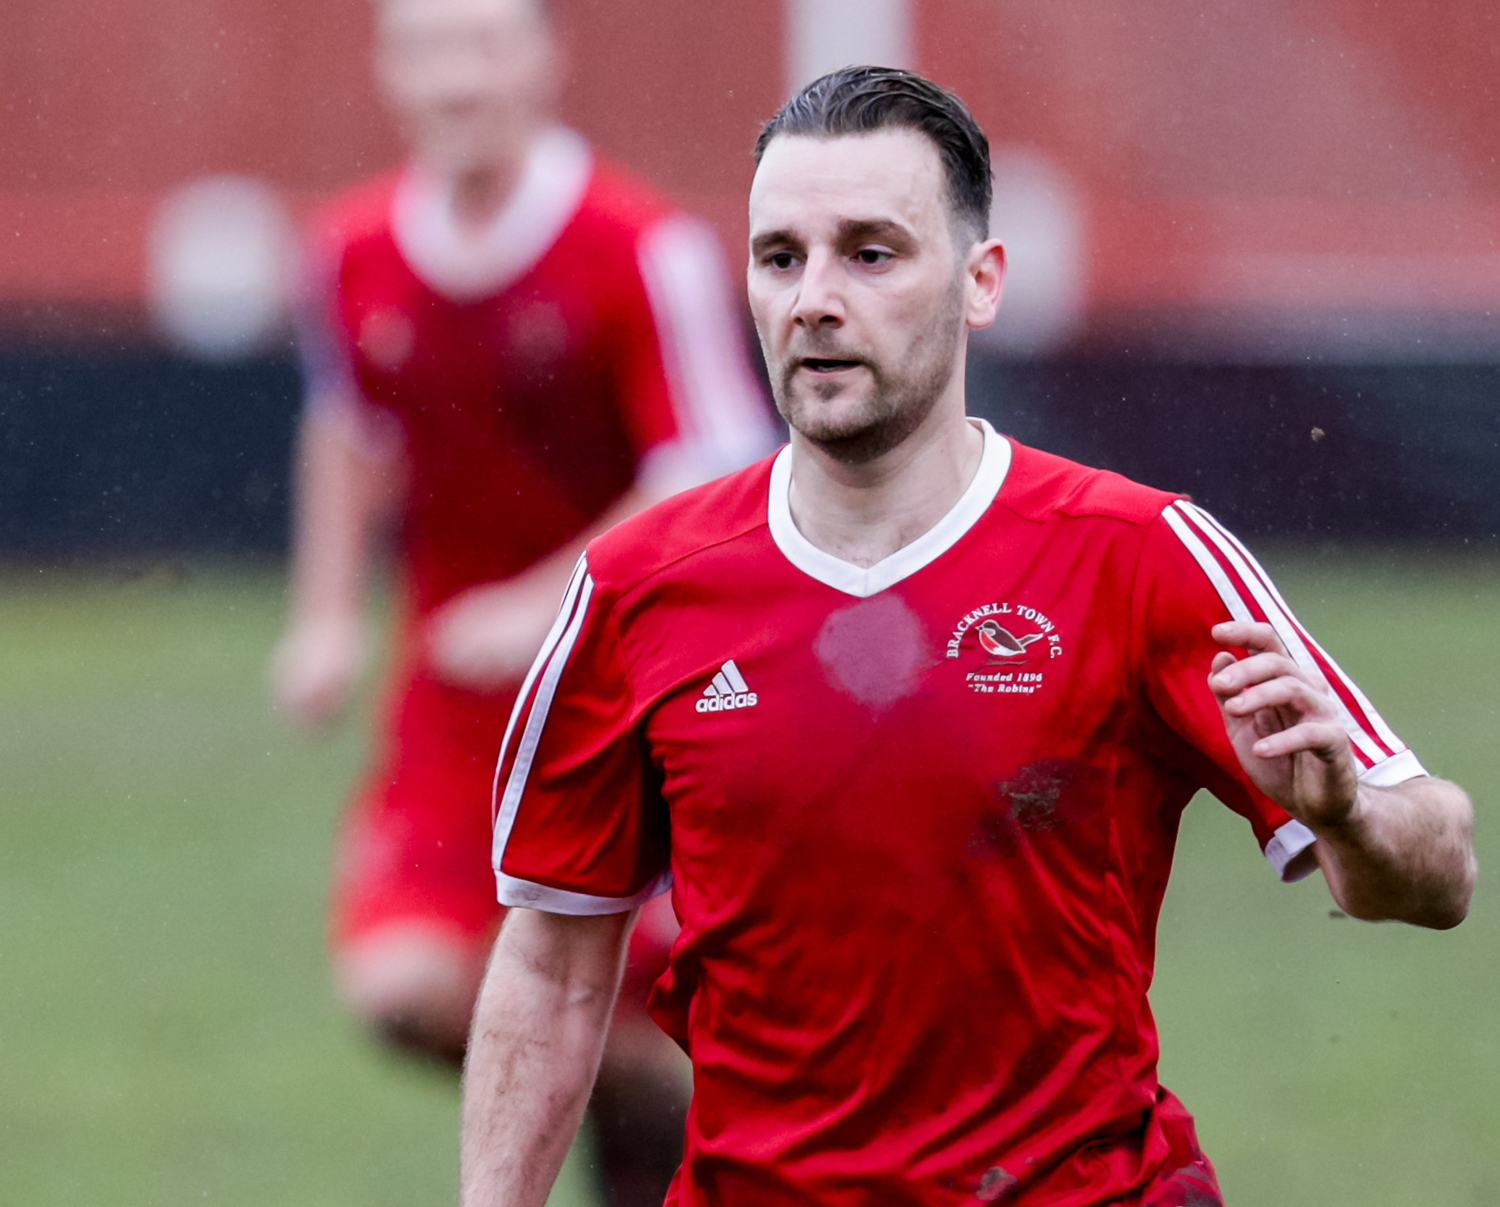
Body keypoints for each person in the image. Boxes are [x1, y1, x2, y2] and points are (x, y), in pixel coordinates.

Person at [458, 67, 1477, 1207]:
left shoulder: (1136, 553)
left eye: (871, 254)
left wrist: (1348, 815)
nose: (814, 300)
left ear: (981, 282)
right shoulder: (636, 586)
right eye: (780, 257)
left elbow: (1442, 870)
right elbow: (551, 969)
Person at [268, 0, 774, 1201]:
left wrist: (549, 601)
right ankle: (649, 1098)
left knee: (649, 992)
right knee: (400, 987)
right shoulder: (348, 249)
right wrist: (326, 615)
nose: (457, 80)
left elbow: (714, 468)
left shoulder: (640, 246)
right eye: (427, 50)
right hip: (456, 709)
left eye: (484, 46)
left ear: (545, 60)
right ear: (388, 70)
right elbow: (346, 426)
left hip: (635, 702)